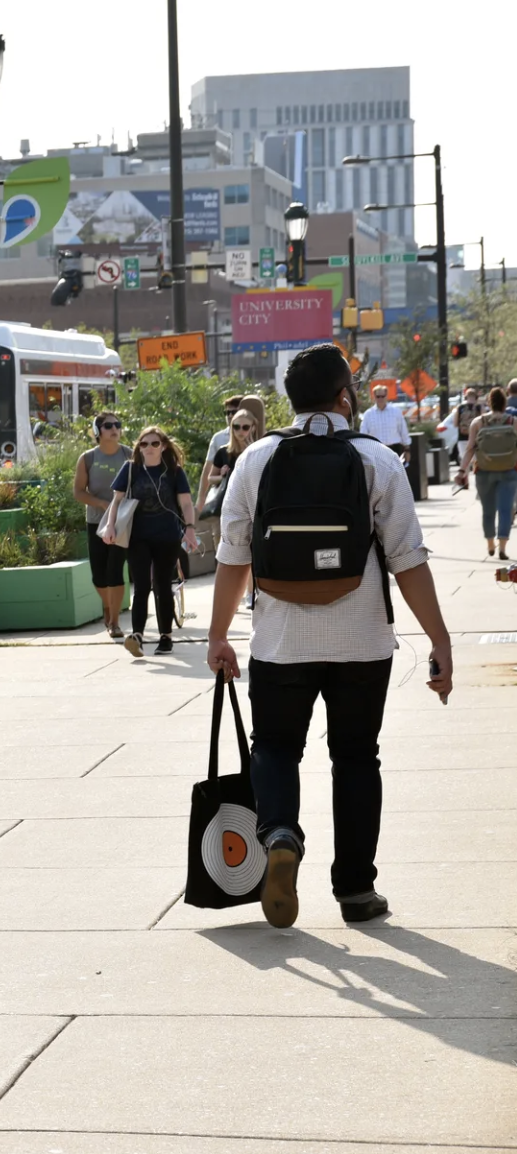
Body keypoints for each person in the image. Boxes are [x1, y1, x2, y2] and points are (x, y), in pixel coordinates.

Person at [208, 344, 452, 929]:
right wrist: (440, 642)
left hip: (279, 642)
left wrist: (218, 636)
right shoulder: (378, 461)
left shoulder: (257, 459)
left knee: (274, 748)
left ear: (287, 402)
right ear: (346, 397)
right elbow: (408, 561)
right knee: (356, 757)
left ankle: (281, 833)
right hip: (362, 641)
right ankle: (356, 890)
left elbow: (232, 556)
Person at [102, 425, 198, 657]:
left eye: (155, 443)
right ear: (139, 447)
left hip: (168, 536)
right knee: (142, 585)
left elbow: (185, 503)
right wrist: (109, 526)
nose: (149, 448)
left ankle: (166, 636)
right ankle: (137, 636)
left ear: (163, 446)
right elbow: (116, 501)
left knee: (163, 586)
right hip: (138, 537)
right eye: (144, 444)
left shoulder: (174, 471)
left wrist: (190, 529)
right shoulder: (131, 469)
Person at [73, 411, 134, 638]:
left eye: (117, 424)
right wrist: (100, 503)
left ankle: (115, 622)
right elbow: (78, 492)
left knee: (115, 571)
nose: (114, 429)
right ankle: (108, 607)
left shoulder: (129, 455)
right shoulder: (88, 458)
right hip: (96, 522)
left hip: (121, 522)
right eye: (108, 425)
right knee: (98, 576)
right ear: (98, 431)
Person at [455, 385, 517, 559]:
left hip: (484, 471)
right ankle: (503, 547)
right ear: (505, 403)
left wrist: (462, 471)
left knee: (488, 510)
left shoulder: (478, 422)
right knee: (506, 509)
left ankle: (490, 543)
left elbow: (470, 449)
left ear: (489, 403)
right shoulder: (513, 422)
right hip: (509, 471)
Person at [198, 407, 264, 514]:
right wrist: (223, 476)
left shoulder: (258, 451)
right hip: (225, 505)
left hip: (250, 505)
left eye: (245, 427)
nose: (240, 431)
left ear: (253, 428)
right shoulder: (223, 451)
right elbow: (210, 478)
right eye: (236, 427)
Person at [359, 385, 412, 463]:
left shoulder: (396, 412)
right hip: (376, 452)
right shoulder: (368, 414)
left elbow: (403, 431)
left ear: (386, 396)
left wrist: (407, 449)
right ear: (374, 396)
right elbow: (363, 435)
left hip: (395, 450)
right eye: (378, 396)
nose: (380, 398)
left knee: (396, 475)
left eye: (382, 396)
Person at [205, 394, 246, 464]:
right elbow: (208, 470)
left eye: (234, 412)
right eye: (227, 413)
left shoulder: (255, 435)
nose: (230, 416)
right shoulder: (218, 438)